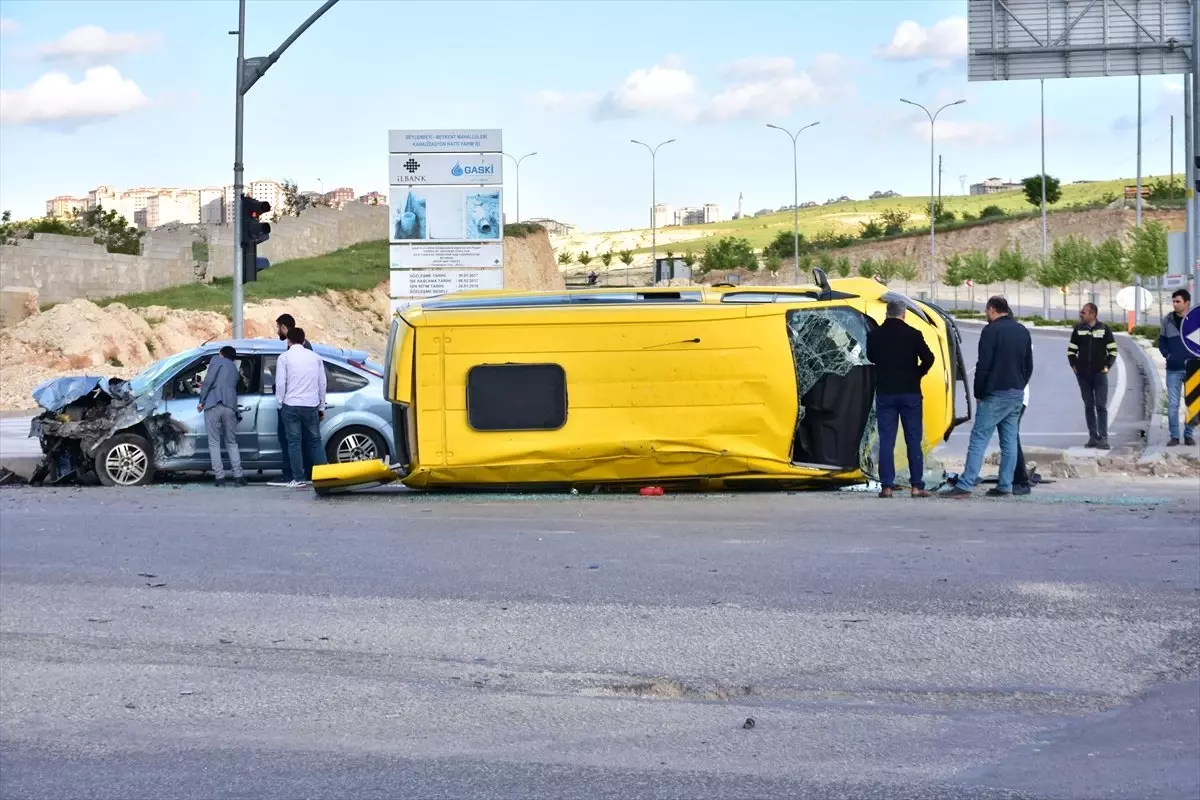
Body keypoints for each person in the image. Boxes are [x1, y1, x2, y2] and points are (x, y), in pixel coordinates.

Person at [943, 296, 1033, 499]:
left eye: (987, 311)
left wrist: (978, 392)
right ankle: (1005, 485)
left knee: (979, 438)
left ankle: (965, 485)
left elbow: (983, 365)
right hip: (1016, 394)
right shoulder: (1022, 330)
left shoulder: (991, 331)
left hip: (995, 394)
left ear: (992, 310)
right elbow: (1029, 365)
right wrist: (1019, 384)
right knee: (1009, 440)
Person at [866, 299, 935, 498]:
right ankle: (916, 486)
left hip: (886, 393)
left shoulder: (875, 335)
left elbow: (871, 357)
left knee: (886, 440)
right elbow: (929, 358)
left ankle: (887, 487)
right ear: (903, 314)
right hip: (910, 393)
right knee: (913, 439)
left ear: (887, 313)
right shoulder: (913, 334)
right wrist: (917, 374)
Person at [276, 326, 328, 488]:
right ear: (304, 340)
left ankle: (298, 478)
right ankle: (325, 478)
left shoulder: (284, 358)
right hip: (311, 405)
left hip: (290, 405)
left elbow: (280, 384)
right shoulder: (315, 358)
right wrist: (321, 406)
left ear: (289, 341)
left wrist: (280, 403)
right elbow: (322, 384)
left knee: (294, 442)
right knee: (315, 441)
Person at [1067, 302, 1117, 449]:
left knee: (1101, 406)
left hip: (1099, 374)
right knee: (1089, 405)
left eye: (1083, 312)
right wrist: (1074, 366)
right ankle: (1093, 437)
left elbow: (1113, 350)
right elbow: (1071, 351)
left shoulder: (1104, 329)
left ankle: (1103, 438)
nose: (1081, 314)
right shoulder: (1078, 329)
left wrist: (1107, 366)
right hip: (1083, 375)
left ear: (1092, 314)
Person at [196, 345, 246, 487]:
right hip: (230, 406)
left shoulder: (216, 360)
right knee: (231, 441)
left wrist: (201, 401)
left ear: (221, 353)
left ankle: (220, 477)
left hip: (213, 404)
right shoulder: (235, 370)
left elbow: (209, 381)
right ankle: (238, 475)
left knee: (214, 442)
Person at [274, 314, 314, 482]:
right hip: (306, 401)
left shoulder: (294, 351)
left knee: (293, 440)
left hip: (293, 401)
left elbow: (285, 380)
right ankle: (299, 473)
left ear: (284, 327)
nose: (277, 331)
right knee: (304, 440)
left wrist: (280, 402)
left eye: (278, 327)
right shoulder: (306, 348)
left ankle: (294, 474)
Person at [1158, 289, 1196, 447]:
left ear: (1186, 303)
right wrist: (1168, 355)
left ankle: (1188, 434)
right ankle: (1174, 436)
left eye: (1178, 301)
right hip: (1173, 368)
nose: (1174, 304)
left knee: (1193, 403)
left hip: (1193, 368)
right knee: (1173, 404)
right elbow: (1162, 341)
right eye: (1173, 301)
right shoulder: (1167, 320)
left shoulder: (1195, 320)